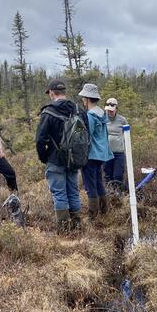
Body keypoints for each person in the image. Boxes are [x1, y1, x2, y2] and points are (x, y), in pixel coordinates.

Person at [36, 79, 89, 233]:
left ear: (52, 93)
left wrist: (44, 157)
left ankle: (65, 230)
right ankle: (77, 225)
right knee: (73, 191)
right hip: (74, 160)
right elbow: (86, 136)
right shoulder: (79, 110)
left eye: (50, 93)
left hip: (55, 159)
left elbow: (40, 139)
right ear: (64, 92)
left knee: (59, 194)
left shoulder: (48, 112)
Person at [78, 84, 114, 219]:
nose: (82, 100)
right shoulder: (101, 113)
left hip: (91, 155)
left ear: (87, 99)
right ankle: (104, 211)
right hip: (100, 154)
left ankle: (92, 215)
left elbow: (87, 137)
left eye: (83, 98)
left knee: (90, 185)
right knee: (98, 182)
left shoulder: (90, 116)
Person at [104, 97, 128, 189]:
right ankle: (109, 195)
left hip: (119, 153)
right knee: (108, 176)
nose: (110, 112)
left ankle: (118, 196)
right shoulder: (102, 119)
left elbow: (127, 133)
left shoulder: (122, 120)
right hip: (106, 152)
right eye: (108, 110)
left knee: (118, 176)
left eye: (112, 110)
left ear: (116, 108)